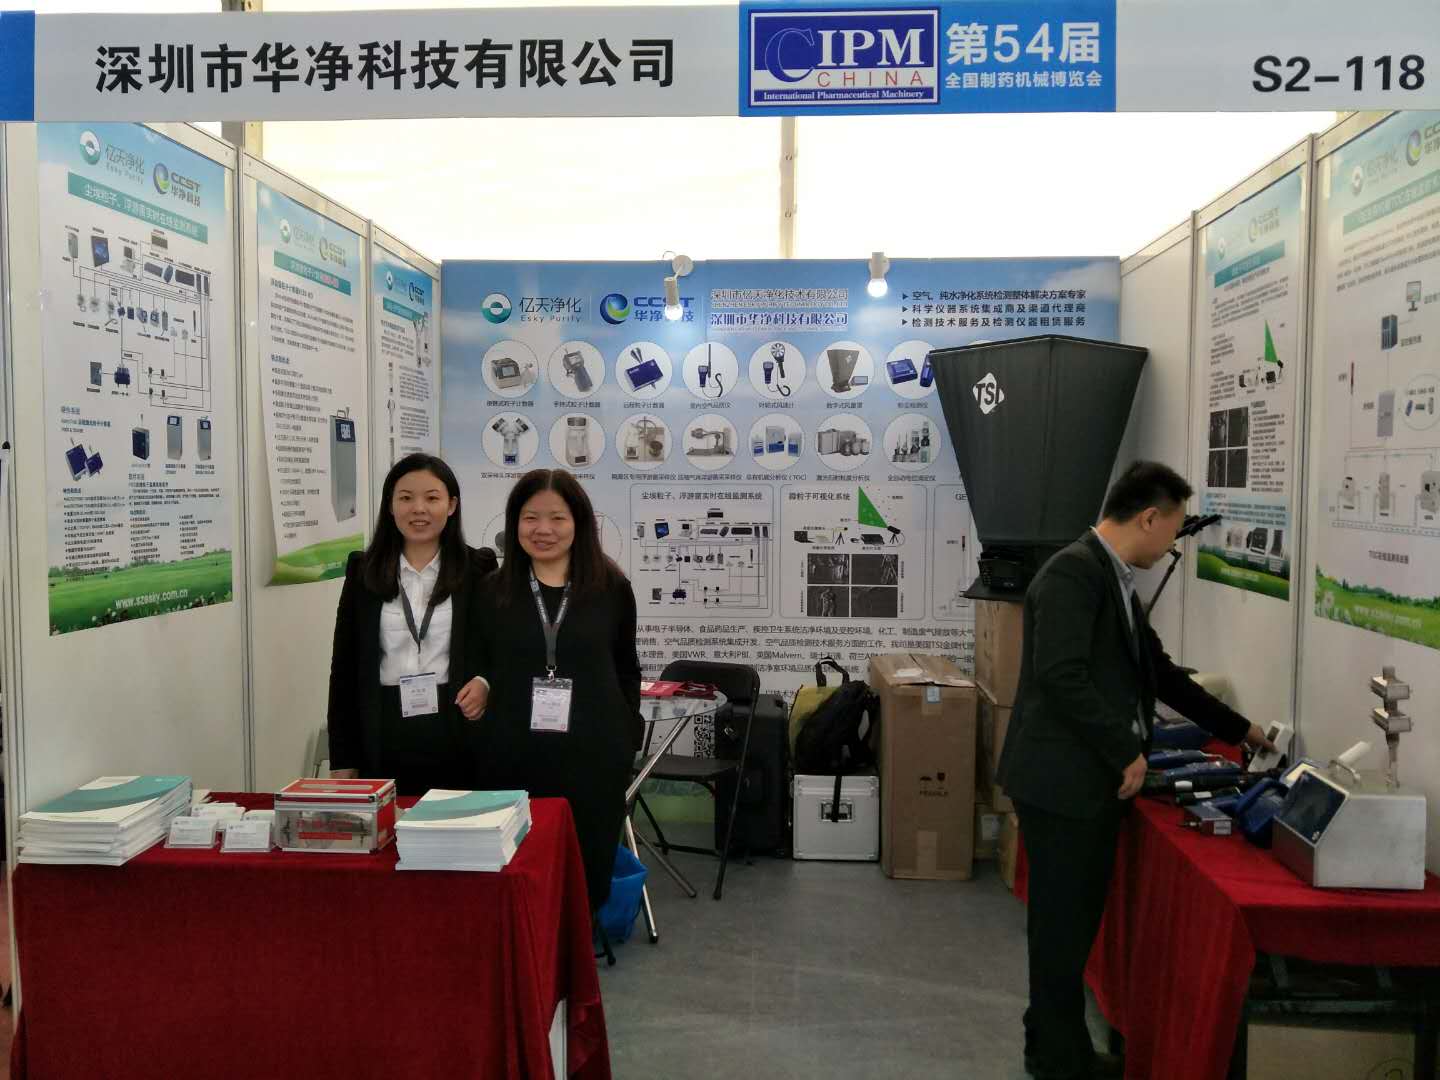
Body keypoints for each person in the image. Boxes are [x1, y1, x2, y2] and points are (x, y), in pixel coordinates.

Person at [996, 461, 1276, 1080]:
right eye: (1174, 529)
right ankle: (1059, 1062)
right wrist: (1124, 749)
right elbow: (1060, 676)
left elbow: (1163, 675)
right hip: (1062, 784)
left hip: (1081, 781)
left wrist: (1242, 730)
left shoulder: (1113, 580)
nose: (1173, 543)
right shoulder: (1073, 574)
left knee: (1068, 930)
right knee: (1061, 931)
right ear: (1149, 518)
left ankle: (1054, 1048)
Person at [468, 469, 642, 910]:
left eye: (557, 518)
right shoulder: (491, 592)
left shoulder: (611, 588)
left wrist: (626, 736)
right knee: (518, 875)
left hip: (592, 757)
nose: (543, 529)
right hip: (512, 756)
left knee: (586, 871)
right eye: (530, 518)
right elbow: (480, 661)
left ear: (579, 523)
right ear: (515, 523)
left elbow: (626, 668)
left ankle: (578, 946)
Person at [327, 453, 497, 796]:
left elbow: (497, 646)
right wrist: (343, 757)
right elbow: (344, 669)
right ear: (390, 506)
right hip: (383, 729)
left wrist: (485, 682)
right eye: (406, 498)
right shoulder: (363, 571)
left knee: (456, 824)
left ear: (451, 505)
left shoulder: (477, 567)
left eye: (432, 498)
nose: (419, 509)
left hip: (456, 725)